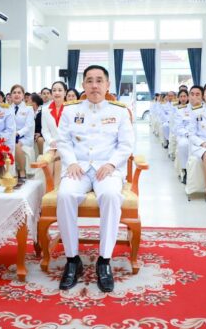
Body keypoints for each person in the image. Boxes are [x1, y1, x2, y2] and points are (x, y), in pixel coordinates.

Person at [56, 65, 134, 293]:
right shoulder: (70, 111)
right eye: (89, 80)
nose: (94, 85)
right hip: (78, 167)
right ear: (83, 85)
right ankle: (73, 260)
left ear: (107, 85)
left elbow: (126, 145)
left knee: (110, 195)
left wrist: (111, 164)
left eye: (99, 80)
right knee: (65, 195)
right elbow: (63, 141)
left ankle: (104, 260)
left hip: (107, 169)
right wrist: (71, 162)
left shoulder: (119, 111)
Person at [41, 81, 68, 179]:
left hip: (65, 143)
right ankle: (49, 186)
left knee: (58, 158)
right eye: (54, 90)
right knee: (48, 159)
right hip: (51, 144)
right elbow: (45, 130)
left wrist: (61, 142)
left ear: (65, 92)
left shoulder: (70, 109)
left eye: (60, 90)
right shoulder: (45, 109)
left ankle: (57, 186)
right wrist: (51, 141)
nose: (57, 93)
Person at [10, 84, 35, 181]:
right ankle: (10, 173)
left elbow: (28, 126)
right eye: (14, 93)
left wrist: (17, 133)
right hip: (10, 136)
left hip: (24, 138)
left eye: (19, 93)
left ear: (23, 95)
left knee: (16, 145)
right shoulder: (7, 108)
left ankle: (22, 171)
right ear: (11, 95)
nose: (16, 95)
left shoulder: (29, 109)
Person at [174, 86, 198, 184]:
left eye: (197, 95)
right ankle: (185, 170)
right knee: (183, 144)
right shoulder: (181, 110)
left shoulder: (202, 108)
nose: (194, 97)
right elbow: (179, 127)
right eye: (192, 95)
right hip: (185, 135)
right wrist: (187, 134)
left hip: (199, 135)